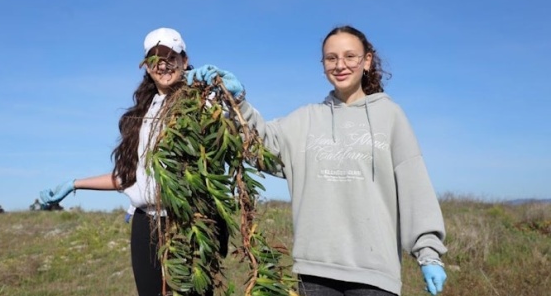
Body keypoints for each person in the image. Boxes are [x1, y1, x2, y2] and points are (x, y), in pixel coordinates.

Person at [186, 25, 448, 296]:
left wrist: (428, 252)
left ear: (367, 61)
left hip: (374, 275)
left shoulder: (391, 116)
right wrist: (236, 101)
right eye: (331, 58)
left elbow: (414, 186)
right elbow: (260, 143)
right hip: (315, 273)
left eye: (350, 56)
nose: (340, 65)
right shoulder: (306, 119)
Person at [40, 27, 226, 296]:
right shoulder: (142, 113)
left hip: (188, 221)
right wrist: (75, 183)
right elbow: (130, 177)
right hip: (145, 223)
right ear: (147, 68)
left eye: (170, 57)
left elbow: (230, 134)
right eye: (154, 60)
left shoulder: (202, 103)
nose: (163, 66)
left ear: (185, 61)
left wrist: (222, 94)